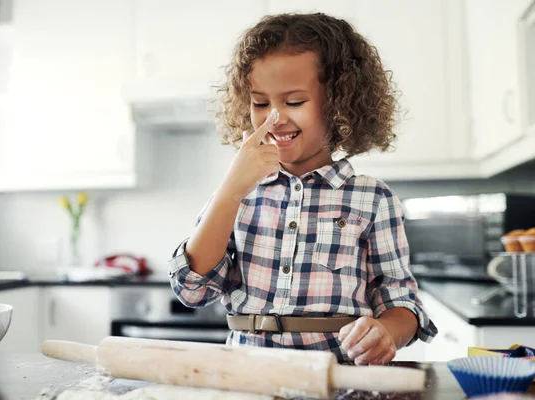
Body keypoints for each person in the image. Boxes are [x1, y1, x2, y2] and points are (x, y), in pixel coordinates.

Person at [168, 12, 437, 365]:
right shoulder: (236, 194)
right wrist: (232, 188)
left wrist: (387, 332)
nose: (274, 118)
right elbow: (193, 289)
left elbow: (401, 301)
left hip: (338, 378)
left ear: (339, 103)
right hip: (247, 378)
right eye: (260, 103)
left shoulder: (372, 199)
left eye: (294, 101)